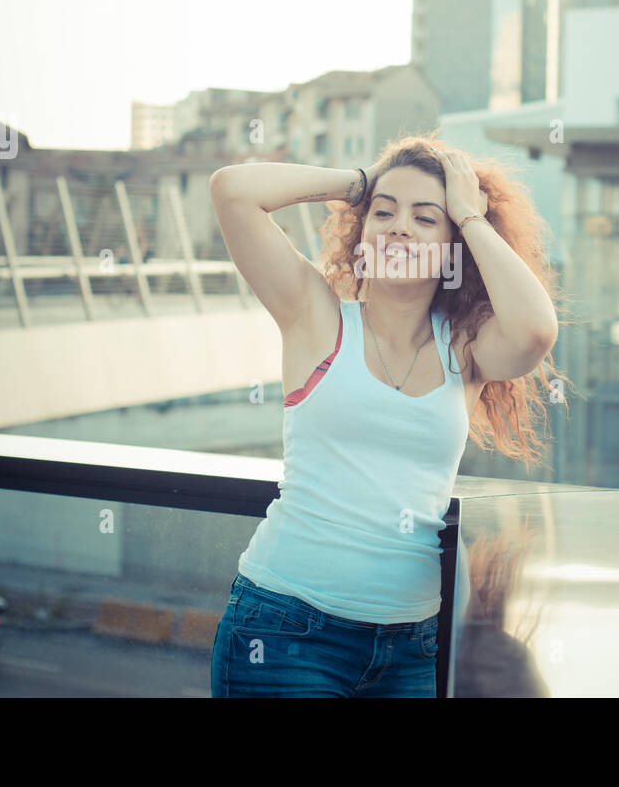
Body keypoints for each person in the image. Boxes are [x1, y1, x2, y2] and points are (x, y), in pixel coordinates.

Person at [207, 133, 569, 697]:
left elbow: (535, 330)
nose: (400, 226)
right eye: (384, 212)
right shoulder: (315, 315)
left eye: (427, 219)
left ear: (453, 250)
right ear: (362, 231)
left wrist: (469, 213)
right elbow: (232, 191)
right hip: (284, 631)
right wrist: (360, 181)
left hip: (410, 649)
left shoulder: (465, 351)